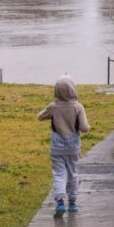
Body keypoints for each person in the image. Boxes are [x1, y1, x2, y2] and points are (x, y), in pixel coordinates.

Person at [37, 74, 91, 217]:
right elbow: (85, 128)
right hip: (73, 147)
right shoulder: (78, 107)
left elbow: (40, 116)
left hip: (57, 147)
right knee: (72, 173)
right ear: (74, 90)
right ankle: (72, 202)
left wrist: (50, 113)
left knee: (59, 173)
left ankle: (60, 200)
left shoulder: (53, 107)